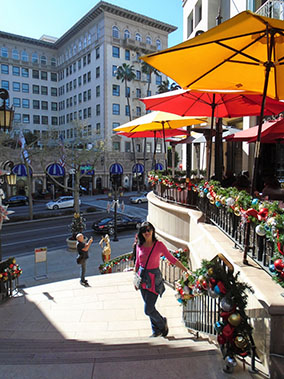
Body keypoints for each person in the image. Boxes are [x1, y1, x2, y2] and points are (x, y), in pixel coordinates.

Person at [134, 221, 190, 338]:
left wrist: (185, 269)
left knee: (148, 309)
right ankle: (156, 330)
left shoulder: (158, 245)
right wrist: (135, 278)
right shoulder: (139, 245)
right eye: (144, 231)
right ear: (141, 233)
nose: (147, 232)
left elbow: (172, 259)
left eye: (149, 229)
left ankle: (162, 323)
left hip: (154, 279)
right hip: (142, 278)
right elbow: (138, 262)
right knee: (149, 306)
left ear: (153, 230)